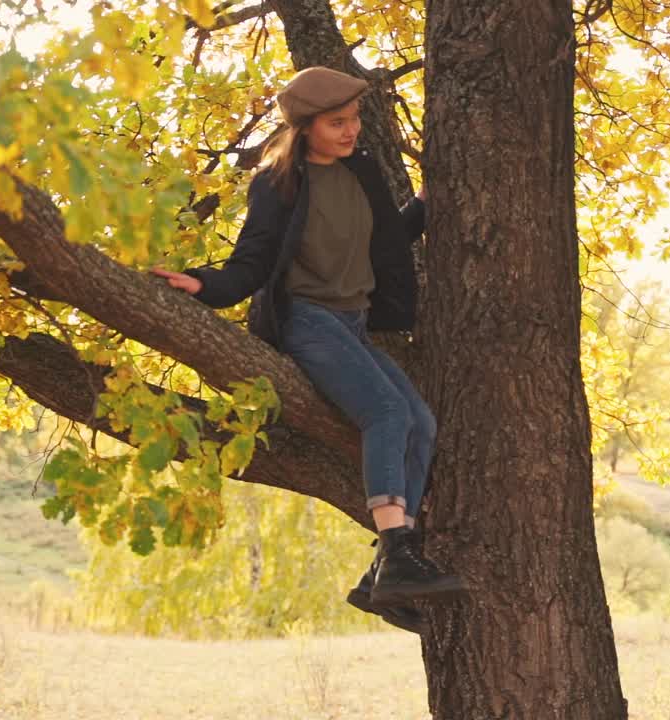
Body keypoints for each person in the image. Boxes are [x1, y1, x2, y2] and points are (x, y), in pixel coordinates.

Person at [151, 66, 462, 635]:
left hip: (355, 325)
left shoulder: (361, 171)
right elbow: (254, 259)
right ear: (306, 127)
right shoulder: (278, 184)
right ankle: (399, 551)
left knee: (420, 422)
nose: (352, 131)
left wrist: (422, 204)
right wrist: (204, 284)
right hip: (308, 322)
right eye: (337, 123)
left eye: (355, 119)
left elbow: (382, 240)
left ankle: (380, 580)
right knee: (387, 413)